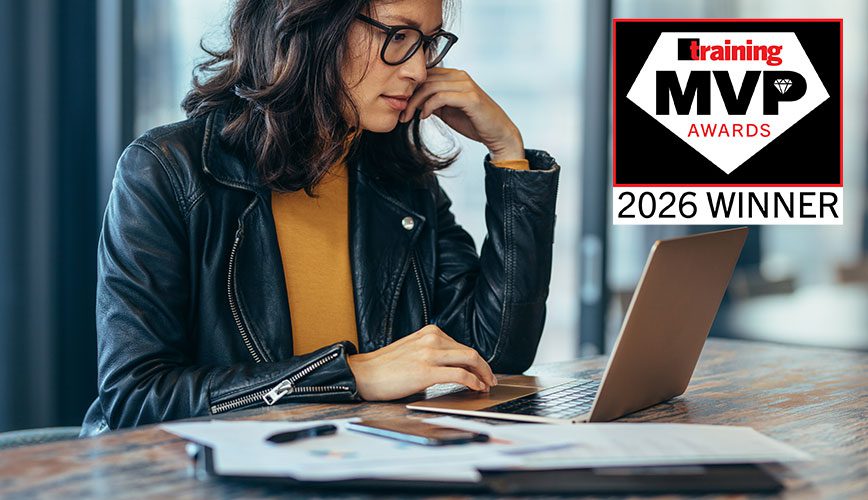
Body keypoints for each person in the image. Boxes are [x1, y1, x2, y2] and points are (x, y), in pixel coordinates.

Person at [81, 0, 560, 436]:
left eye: (428, 43)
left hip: (352, 472)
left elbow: (495, 356)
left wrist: (509, 155)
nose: (418, 69)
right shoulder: (167, 169)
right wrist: (350, 374)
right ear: (310, 23)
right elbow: (136, 397)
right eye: (397, 36)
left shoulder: (400, 182)